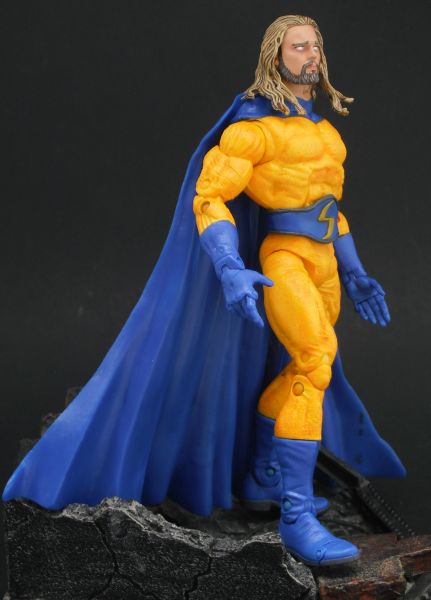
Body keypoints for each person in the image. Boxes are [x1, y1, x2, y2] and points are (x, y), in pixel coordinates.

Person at [3, 15, 405, 567]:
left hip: (326, 266)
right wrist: (230, 266)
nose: (311, 54)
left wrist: (355, 273)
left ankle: (264, 474)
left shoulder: (327, 135)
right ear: (276, 56)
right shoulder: (253, 130)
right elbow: (210, 196)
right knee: (314, 362)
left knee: (303, 367)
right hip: (284, 259)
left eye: (316, 45)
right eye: (299, 46)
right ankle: (295, 518)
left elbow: (334, 214)